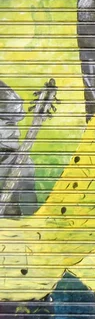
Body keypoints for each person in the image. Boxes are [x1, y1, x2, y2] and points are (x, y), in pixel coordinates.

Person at [0, 80, 38, 217]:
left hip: (10, 155)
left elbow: (17, 111)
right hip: (9, 155)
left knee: (25, 172)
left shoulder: (5, 93)